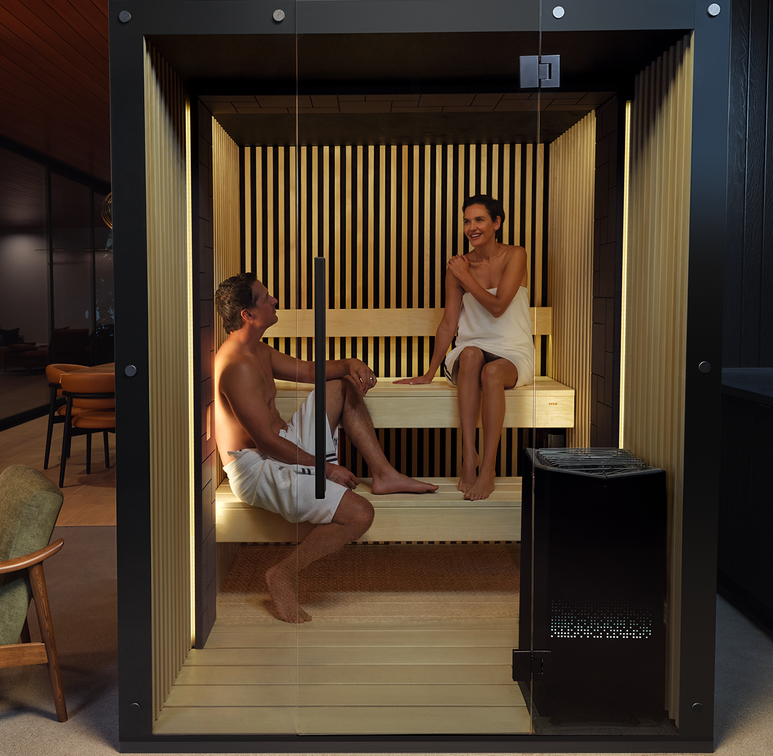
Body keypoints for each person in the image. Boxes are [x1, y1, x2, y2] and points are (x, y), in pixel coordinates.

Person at [214, 273, 437, 623]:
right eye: (265, 297)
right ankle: (283, 574)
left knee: (339, 385)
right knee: (361, 514)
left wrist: (349, 363)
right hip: (260, 468)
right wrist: (327, 469)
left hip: (284, 443)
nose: (274, 300)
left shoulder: (257, 348)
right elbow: (267, 443)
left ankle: (384, 473)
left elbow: (309, 370)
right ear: (248, 314)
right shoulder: (235, 368)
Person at [394, 195, 534, 501]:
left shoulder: (515, 255)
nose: (472, 227)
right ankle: (468, 457)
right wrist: (430, 372)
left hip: (511, 351)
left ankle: (488, 469)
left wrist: (464, 276)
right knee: (471, 355)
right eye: (467, 221)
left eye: (479, 220)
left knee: (492, 372)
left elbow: (498, 307)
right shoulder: (460, 267)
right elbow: (448, 324)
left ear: (496, 223)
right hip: (472, 347)